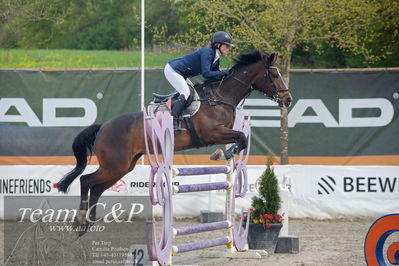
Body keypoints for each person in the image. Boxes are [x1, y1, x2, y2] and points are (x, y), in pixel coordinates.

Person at [164, 31, 233, 131]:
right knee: (186, 92)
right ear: (218, 45)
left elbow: (215, 76)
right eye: (227, 46)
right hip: (173, 69)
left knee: (192, 93)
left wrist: (228, 76)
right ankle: (173, 121)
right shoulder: (208, 52)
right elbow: (206, 74)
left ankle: (172, 104)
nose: (229, 48)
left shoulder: (216, 59)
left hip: (181, 73)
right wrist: (225, 72)